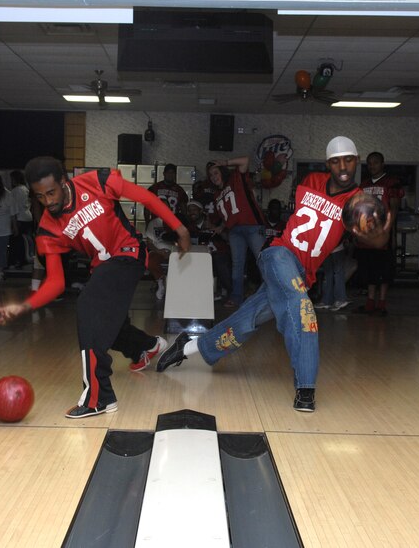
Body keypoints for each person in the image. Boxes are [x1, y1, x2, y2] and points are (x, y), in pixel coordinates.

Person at [156, 136, 391, 412]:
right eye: (336, 160)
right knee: (302, 309)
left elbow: (378, 243)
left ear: (357, 161)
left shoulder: (357, 203)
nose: (343, 166)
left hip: (302, 274)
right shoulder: (310, 181)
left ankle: (186, 347)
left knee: (245, 322)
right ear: (328, 163)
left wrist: (379, 226)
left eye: (349, 159)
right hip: (278, 254)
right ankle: (305, 387)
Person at [0, 157, 191, 419]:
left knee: (88, 305)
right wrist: (26, 304)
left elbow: (146, 198)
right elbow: (56, 282)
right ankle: (145, 346)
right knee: (110, 324)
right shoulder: (48, 230)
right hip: (102, 267)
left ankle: (99, 397)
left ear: (64, 182)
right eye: (40, 197)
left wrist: (180, 228)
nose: (48, 201)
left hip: (129, 252)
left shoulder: (97, 181)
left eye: (51, 193)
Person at [207, 157, 266, 308]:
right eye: (211, 175)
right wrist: (220, 228)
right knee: (237, 264)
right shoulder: (216, 195)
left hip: (252, 226)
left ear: (222, 171)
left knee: (263, 260)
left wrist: (224, 162)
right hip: (235, 231)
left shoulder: (235, 179)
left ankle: (272, 295)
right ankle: (236, 296)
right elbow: (229, 216)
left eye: (215, 172)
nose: (214, 177)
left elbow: (245, 160)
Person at [354, 151, 401, 317]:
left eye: (375, 162)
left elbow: (394, 208)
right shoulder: (363, 185)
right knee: (368, 269)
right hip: (367, 234)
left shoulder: (391, 183)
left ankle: (381, 303)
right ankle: (369, 302)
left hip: (383, 234)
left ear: (382, 164)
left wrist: (388, 230)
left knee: (384, 270)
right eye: (369, 163)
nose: (372, 166)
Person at [185, 200, 232, 301]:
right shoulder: (189, 227)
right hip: (200, 256)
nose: (192, 212)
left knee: (220, 260)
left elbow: (228, 238)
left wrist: (213, 228)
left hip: (218, 254)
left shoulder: (214, 221)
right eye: (189, 210)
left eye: (194, 209)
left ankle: (229, 292)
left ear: (201, 211)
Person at [143, 197, 176, 300]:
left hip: (174, 251)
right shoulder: (153, 223)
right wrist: (159, 251)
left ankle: (174, 287)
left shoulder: (176, 221)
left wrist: (172, 251)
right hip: (158, 251)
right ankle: (161, 283)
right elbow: (149, 243)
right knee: (150, 260)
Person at [8, 169, 34, 268]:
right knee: (26, 241)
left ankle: (16, 261)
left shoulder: (14, 191)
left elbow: (13, 207)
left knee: (17, 242)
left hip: (19, 218)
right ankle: (25, 259)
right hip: (28, 217)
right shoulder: (26, 189)